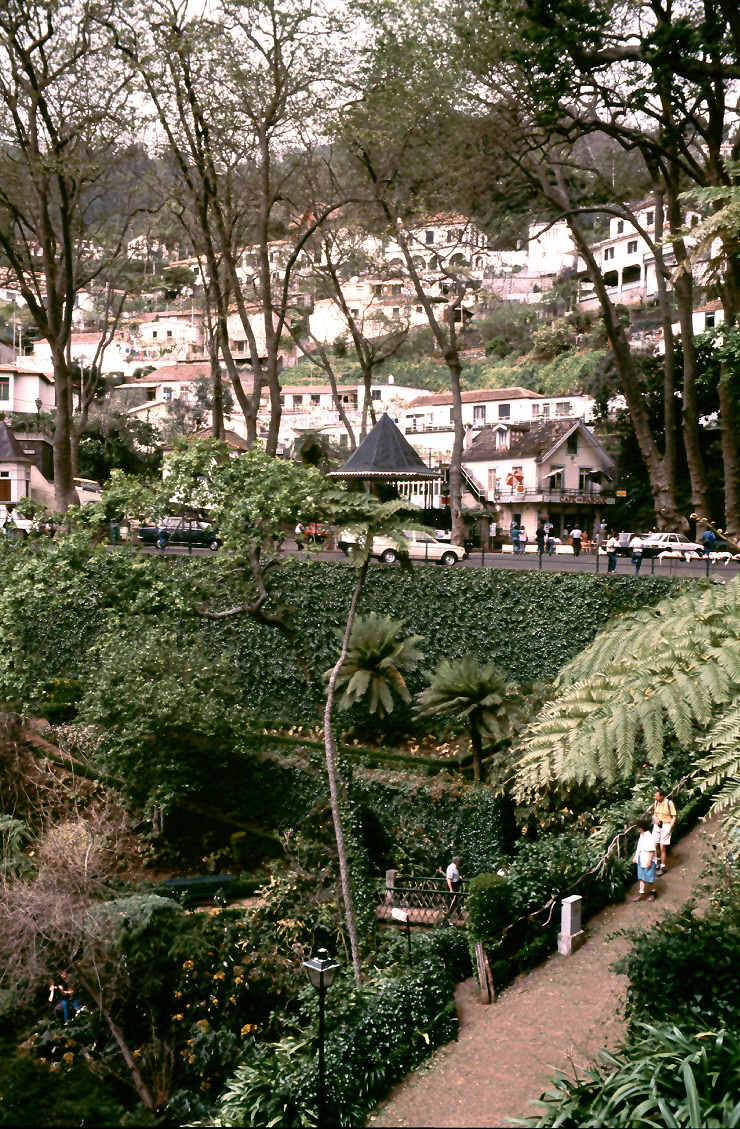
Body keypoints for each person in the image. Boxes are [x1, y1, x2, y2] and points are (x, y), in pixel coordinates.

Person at [652, 787, 677, 873]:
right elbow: (654, 815)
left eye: (657, 796)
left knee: (662, 846)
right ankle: (658, 860)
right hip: (657, 825)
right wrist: (656, 820)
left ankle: (663, 866)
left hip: (666, 825)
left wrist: (670, 827)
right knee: (654, 845)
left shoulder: (669, 803)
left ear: (662, 796)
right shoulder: (656, 803)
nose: (655, 798)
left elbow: (674, 817)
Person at [633, 819, 658, 900]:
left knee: (649, 879)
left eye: (638, 827)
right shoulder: (642, 835)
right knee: (641, 877)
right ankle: (641, 894)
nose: (638, 829)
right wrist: (636, 857)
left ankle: (653, 894)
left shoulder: (649, 837)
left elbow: (651, 851)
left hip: (648, 860)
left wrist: (649, 861)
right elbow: (639, 848)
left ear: (642, 827)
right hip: (642, 859)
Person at [445, 856, 463, 921]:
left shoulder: (455, 867)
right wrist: (451, 889)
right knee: (453, 902)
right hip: (451, 886)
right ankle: (449, 915)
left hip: (455, 885)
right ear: (456, 861)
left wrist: (459, 878)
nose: (459, 862)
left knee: (456, 901)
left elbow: (455, 877)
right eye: (459, 861)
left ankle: (458, 915)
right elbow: (449, 879)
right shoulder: (451, 867)